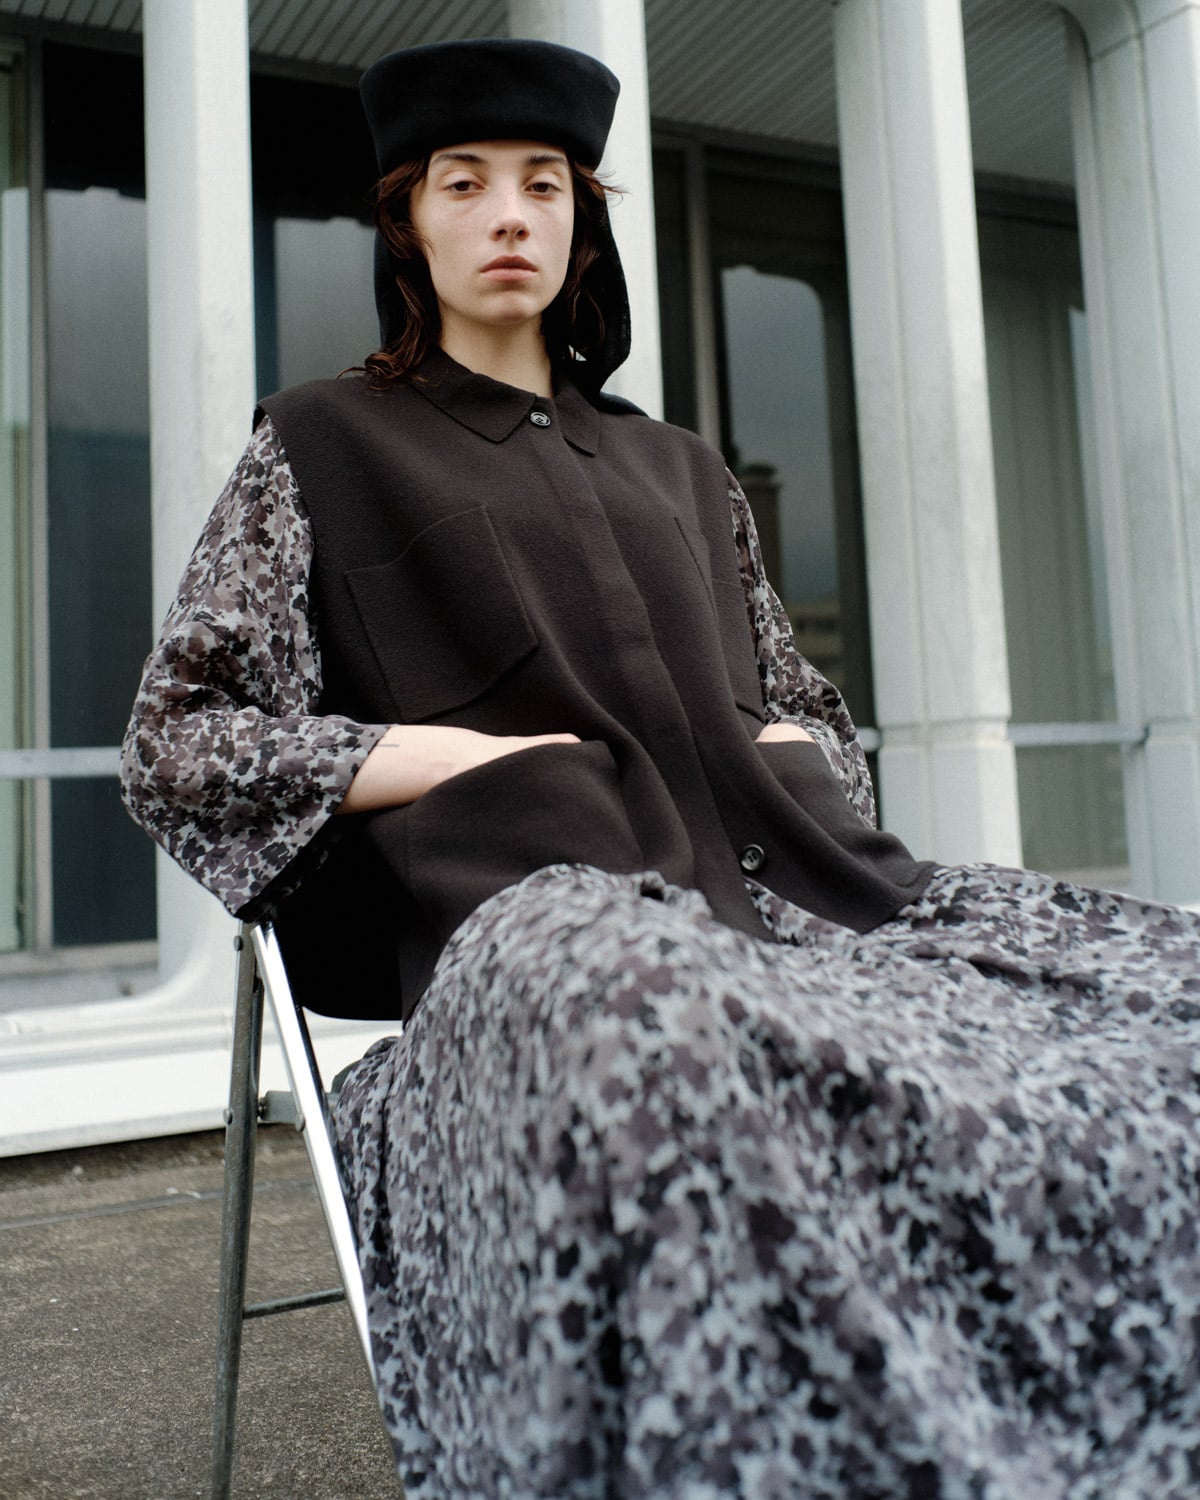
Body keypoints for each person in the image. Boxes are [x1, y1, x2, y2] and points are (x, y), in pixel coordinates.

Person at [121, 36, 1200, 1500]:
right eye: (463, 184)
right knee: (657, 1031)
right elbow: (181, 739)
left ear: (583, 218)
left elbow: (810, 707)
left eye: (543, 184)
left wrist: (793, 750)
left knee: (1151, 992)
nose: (509, 215)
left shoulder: (687, 470)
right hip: (538, 923)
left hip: (797, 910)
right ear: (408, 222)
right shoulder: (319, 445)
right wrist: (451, 756)